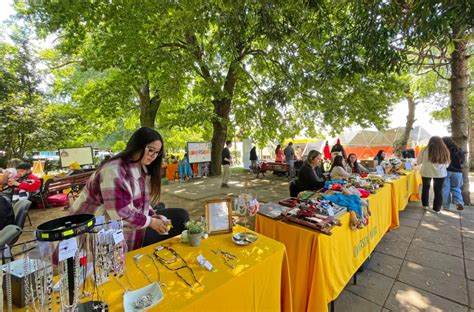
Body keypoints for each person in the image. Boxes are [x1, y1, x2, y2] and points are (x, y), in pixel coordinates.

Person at [71, 127, 177, 251]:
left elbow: (142, 202)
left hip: (118, 231)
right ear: (137, 145)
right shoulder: (114, 170)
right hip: (94, 232)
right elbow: (121, 214)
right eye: (150, 150)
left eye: (157, 152)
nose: (153, 156)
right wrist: (151, 222)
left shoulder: (142, 168)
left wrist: (154, 216)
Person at [417, 136, 450, 213]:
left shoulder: (424, 150)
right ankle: (437, 209)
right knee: (438, 190)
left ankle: (425, 205)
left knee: (425, 188)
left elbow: (419, 162)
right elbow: (447, 164)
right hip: (440, 173)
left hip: (426, 172)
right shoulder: (444, 150)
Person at [442, 137, 465, 211]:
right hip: (458, 172)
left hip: (446, 171)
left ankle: (446, 206)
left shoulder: (444, 151)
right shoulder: (459, 150)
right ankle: (459, 202)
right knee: (456, 188)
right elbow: (462, 162)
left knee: (445, 188)